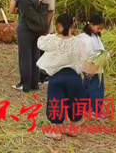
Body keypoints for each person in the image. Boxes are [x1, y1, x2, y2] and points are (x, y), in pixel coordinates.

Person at [36, 13, 85, 141]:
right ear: (73, 25)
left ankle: (56, 132)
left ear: (58, 25)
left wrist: (49, 34)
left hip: (57, 77)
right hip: (74, 77)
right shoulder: (78, 42)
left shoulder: (52, 40)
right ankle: (73, 129)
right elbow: (84, 57)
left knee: (56, 102)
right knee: (75, 102)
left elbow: (40, 43)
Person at [10, 0, 42, 92]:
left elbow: (11, 10)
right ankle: (35, 84)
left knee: (25, 56)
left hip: (25, 28)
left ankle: (25, 84)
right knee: (35, 54)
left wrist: (21, 11)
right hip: (36, 28)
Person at [77, 14, 108, 119]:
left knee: (87, 88)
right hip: (93, 68)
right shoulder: (86, 39)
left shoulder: (94, 36)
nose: (99, 30)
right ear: (90, 24)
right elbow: (92, 55)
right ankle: (96, 110)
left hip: (89, 67)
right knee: (96, 89)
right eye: (98, 28)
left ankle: (86, 108)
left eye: (101, 29)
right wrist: (106, 55)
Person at [37, 0, 56, 85]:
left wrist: (45, 27)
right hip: (42, 26)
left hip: (45, 27)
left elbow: (50, 11)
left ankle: (45, 76)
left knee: (44, 52)